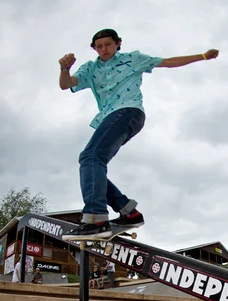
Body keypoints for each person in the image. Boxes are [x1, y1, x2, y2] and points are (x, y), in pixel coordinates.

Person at [59, 29, 219, 241]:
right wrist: (64, 68)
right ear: (94, 48)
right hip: (111, 118)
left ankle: (96, 219)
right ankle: (129, 212)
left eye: (108, 44)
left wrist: (202, 56)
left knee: (91, 158)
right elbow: (66, 84)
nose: (104, 49)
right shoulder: (90, 68)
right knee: (90, 163)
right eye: (99, 46)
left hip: (128, 111)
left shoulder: (132, 59)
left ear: (118, 44)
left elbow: (169, 62)